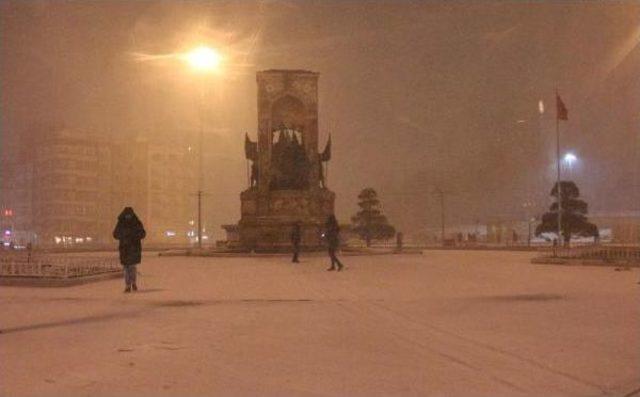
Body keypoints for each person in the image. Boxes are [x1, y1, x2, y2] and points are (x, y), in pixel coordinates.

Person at [112, 207, 146, 293]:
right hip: (125, 248)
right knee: (126, 267)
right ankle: (128, 285)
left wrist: (133, 236)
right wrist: (123, 236)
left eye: (129, 215)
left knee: (131, 266)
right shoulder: (121, 223)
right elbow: (115, 234)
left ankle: (133, 283)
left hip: (133, 248)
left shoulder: (136, 223)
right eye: (127, 215)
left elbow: (143, 233)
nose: (128, 216)